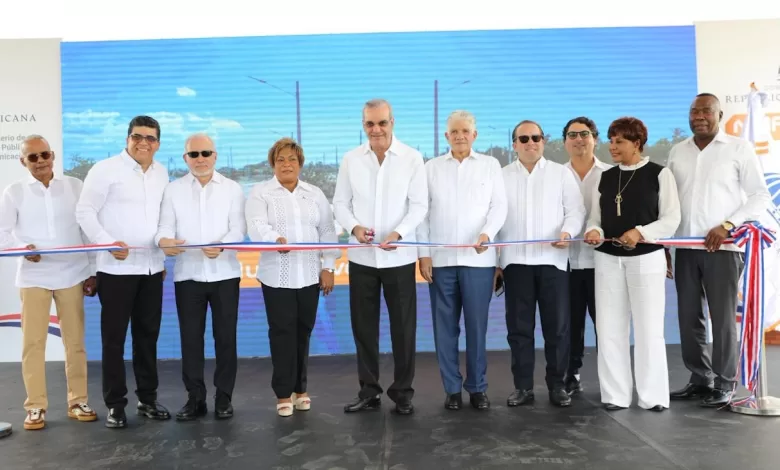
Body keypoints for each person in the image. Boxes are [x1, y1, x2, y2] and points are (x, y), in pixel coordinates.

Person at [667, 93, 771, 407]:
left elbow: (760, 196)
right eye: (694, 111)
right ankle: (700, 379)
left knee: (723, 319)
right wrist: (664, 245)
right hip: (684, 247)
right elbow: (668, 201)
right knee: (689, 317)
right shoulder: (677, 151)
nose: (699, 116)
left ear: (720, 115)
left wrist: (728, 224)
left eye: (706, 111)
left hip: (723, 248)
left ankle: (726, 383)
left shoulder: (739, 148)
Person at [333, 98, 428, 415]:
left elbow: (419, 206)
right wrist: (355, 227)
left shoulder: (412, 158)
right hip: (362, 259)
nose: (376, 129)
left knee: (403, 329)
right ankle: (369, 391)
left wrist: (399, 233)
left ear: (392, 122)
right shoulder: (351, 159)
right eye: (370, 124)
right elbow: (340, 204)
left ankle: (403, 393)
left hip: (399, 259)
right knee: (364, 329)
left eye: (382, 123)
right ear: (363, 125)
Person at [75, 115, 171, 428]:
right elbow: (84, 212)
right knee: (114, 340)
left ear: (158, 143)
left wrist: (161, 259)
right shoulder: (105, 169)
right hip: (115, 270)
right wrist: (106, 242)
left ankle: (148, 399)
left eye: (150, 138)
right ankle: (115, 405)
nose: (144, 142)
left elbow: (163, 219)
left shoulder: (161, 173)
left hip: (152, 269)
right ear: (127, 139)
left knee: (147, 338)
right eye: (137, 136)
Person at [0, 135, 98, 430]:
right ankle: (35, 406)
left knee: (75, 342)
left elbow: (87, 231)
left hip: (72, 273)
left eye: (45, 155)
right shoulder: (14, 192)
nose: (40, 161)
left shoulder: (75, 186)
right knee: (33, 343)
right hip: (34, 277)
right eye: (33, 157)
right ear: (23, 161)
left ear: (53, 155)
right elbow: (2, 233)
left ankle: (78, 401)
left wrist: (92, 270)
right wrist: (22, 248)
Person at [584, 117, 681, 411]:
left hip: (646, 259)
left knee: (649, 328)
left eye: (619, 142)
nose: (612, 147)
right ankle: (615, 395)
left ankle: (653, 396)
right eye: (611, 141)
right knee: (609, 328)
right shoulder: (605, 177)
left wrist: (640, 232)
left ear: (637, 143)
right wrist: (594, 231)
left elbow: (671, 219)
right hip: (607, 260)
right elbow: (595, 218)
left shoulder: (660, 174)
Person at [417, 110, 507, 410]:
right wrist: (424, 254)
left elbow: (499, 207)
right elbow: (422, 214)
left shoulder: (490, 165)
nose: (459, 136)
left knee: (477, 327)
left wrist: (487, 233)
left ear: (474, 135)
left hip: (479, 262)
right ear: (446, 136)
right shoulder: (431, 168)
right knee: (445, 329)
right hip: (441, 261)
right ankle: (452, 389)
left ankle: (478, 388)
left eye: (465, 131)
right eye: (454, 132)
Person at [246, 137, 339, 417]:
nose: (287, 164)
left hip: (310, 275)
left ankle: (301, 390)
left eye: (292, 159)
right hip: (276, 277)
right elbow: (256, 226)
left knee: (303, 332)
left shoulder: (314, 193)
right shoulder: (261, 192)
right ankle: (283, 393)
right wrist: (275, 239)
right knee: (282, 333)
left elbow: (327, 231)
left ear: (300, 164)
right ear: (273, 164)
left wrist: (329, 267)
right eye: (281, 159)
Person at [155, 133, 245, 421]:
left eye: (206, 153)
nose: (200, 159)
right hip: (188, 276)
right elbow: (164, 227)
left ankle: (224, 397)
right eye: (194, 154)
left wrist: (223, 244)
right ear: (186, 158)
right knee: (191, 339)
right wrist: (163, 241)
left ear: (215, 156)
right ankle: (195, 398)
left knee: (226, 338)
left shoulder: (232, 189)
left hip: (225, 274)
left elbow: (238, 229)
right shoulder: (173, 190)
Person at [496, 120, 586, 408]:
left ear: (543, 141)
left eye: (535, 137)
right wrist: (497, 262)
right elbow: (493, 219)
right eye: (523, 139)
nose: (530, 143)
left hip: (553, 262)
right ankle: (523, 387)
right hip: (515, 264)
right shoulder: (501, 176)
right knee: (519, 330)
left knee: (557, 329)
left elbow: (576, 211)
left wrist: (568, 233)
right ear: (514, 144)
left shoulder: (561, 174)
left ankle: (558, 385)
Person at [562, 117, 611, 396]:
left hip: (602, 263)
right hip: (565, 262)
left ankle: (611, 379)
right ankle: (571, 373)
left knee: (606, 324)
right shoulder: (556, 175)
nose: (578, 139)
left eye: (584, 134)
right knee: (569, 324)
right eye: (572, 135)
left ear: (595, 138)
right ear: (565, 142)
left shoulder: (611, 174)